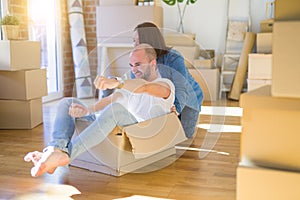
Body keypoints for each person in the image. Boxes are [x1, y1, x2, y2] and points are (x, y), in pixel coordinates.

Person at [24, 44, 175, 177]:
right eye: (131, 65)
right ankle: (56, 150)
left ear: (153, 63)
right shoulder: (131, 85)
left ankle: (66, 155)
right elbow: (107, 100)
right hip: (115, 122)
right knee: (66, 103)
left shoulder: (166, 85)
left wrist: (117, 82)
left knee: (116, 109)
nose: (134, 69)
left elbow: (145, 87)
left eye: (138, 64)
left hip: (139, 130)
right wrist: (86, 110)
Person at [132, 22, 203, 138]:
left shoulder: (173, 58)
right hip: (163, 100)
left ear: (148, 40)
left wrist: (176, 109)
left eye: (138, 41)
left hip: (188, 99)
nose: (134, 45)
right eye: (133, 41)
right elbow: (134, 85)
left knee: (182, 137)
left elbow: (181, 87)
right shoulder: (138, 60)